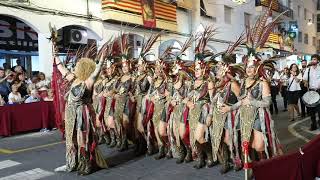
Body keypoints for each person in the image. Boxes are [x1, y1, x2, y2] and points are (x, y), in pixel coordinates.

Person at [53, 48, 108, 175]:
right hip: (71, 114)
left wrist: (102, 60)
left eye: (78, 65)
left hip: (83, 114)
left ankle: (86, 164)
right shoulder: (73, 79)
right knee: (70, 140)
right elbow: (61, 68)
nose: (75, 66)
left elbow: (96, 72)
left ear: (83, 68)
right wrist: (55, 54)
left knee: (82, 140)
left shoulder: (88, 82)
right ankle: (71, 163)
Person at [302, 54, 320, 131]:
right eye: (312, 59)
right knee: (311, 110)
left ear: (318, 61)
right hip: (311, 91)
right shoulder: (308, 69)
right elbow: (304, 79)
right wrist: (305, 82)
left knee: (319, 110)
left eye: (315, 59)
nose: (313, 60)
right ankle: (313, 124)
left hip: (319, 91)